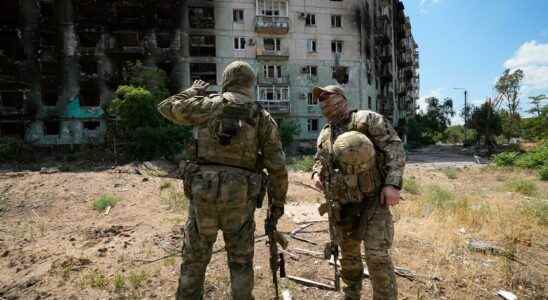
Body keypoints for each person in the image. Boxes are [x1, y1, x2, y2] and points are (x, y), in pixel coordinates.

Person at [157, 61, 288, 300]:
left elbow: (166, 107)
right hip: (241, 199)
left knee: (194, 259)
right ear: (251, 84)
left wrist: (192, 91)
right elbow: (277, 166)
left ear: (226, 81)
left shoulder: (206, 105)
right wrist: (277, 206)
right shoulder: (261, 115)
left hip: (203, 194)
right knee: (240, 261)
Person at [311, 85, 405, 300]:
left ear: (341, 98)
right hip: (342, 205)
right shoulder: (325, 133)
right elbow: (319, 160)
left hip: (372, 201)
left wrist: (392, 184)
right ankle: (351, 294)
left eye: (328, 96)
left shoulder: (367, 120)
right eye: (320, 98)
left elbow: (394, 148)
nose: (324, 100)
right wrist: (316, 174)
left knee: (377, 256)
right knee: (349, 257)